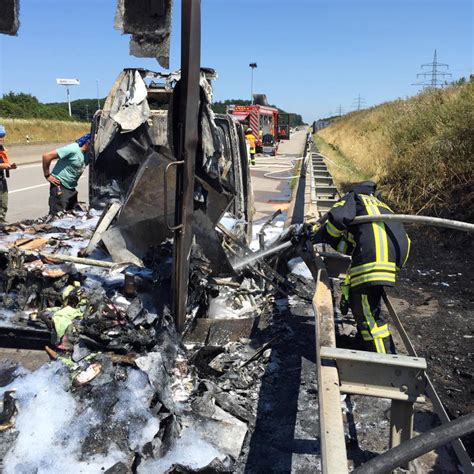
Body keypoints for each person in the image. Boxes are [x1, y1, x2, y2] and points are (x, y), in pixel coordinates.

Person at [304, 181, 410, 354]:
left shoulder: (354, 197)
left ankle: (385, 360)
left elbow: (337, 218)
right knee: (366, 303)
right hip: (393, 258)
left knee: (367, 314)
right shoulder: (381, 205)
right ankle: (365, 343)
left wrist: (317, 234)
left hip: (373, 258)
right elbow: (352, 246)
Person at [42, 133, 91, 215]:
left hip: (71, 187)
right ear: (88, 142)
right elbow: (47, 156)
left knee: (71, 213)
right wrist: (47, 175)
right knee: (58, 214)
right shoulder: (73, 149)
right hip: (60, 184)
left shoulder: (88, 154)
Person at [0, 125, 18, 224]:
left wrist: (10, 166)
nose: (1, 138)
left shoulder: (1, 148)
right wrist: (3, 166)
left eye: (3, 135)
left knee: (3, 204)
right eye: (0, 136)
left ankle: (1, 224)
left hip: (1, 180)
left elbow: (4, 164)